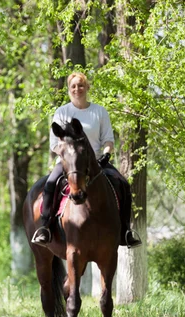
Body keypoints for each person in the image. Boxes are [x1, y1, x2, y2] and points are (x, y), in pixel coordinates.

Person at [31, 72, 142, 249]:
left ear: (87, 87)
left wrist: (106, 155)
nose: (77, 89)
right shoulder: (62, 112)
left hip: (97, 163)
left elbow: (108, 139)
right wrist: (68, 157)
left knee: (123, 184)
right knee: (51, 183)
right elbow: (54, 144)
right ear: (69, 89)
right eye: (73, 86)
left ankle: (125, 231)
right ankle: (45, 227)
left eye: (81, 85)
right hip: (69, 163)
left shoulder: (99, 111)